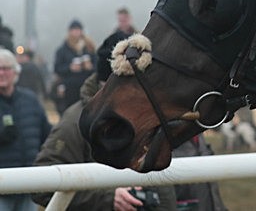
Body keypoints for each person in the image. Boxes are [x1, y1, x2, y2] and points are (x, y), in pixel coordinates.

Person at [34, 31, 178, 211]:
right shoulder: (75, 121)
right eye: (130, 87)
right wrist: (108, 198)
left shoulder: (148, 118)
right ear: (108, 85)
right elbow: (42, 184)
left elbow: (163, 187)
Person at [0, 48, 51, 211]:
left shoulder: (30, 100)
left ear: (15, 72)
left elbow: (47, 136)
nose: (1, 73)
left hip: (28, 185)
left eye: (6, 68)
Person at [52, 19, 96, 116]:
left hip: (87, 86)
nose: (76, 33)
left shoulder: (89, 48)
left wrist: (90, 67)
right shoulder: (62, 50)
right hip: (69, 89)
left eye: (78, 30)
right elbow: (57, 68)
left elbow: (97, 67)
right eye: (74, 30)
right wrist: (70, 68)